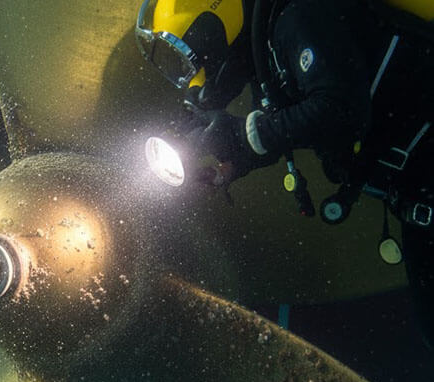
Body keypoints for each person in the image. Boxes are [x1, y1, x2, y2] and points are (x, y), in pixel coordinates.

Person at [134, 0, 434, 343]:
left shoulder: (300, 16)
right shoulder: (271, 47)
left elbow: (340, 109)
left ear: (212, 28)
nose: (195, 79)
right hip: (419, 194)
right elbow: (291, 121)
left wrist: (244, 137)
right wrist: (232, 165)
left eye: (187, 57)